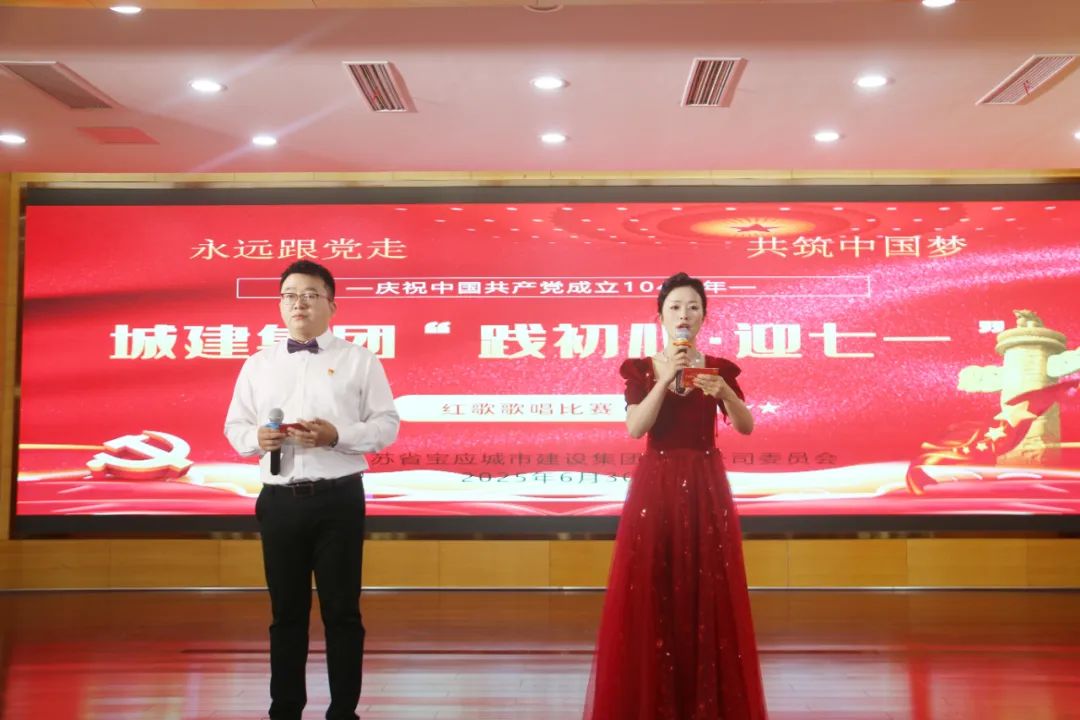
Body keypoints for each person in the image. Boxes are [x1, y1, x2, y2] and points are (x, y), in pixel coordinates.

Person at [584, 272, 768, 719]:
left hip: (705, 486)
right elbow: (636, 428)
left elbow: (745, 426)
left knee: (708, 591)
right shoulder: (641, 368)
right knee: (653, 588)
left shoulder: (718, 369)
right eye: (675, 307)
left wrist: (725, 393)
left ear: (704, 316)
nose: (684, 315)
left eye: (692, 307)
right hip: (658, 487)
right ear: (661, 316)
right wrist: (664, 379)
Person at [224, 260, 399, 720]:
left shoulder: (359, 360)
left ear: (331, 305)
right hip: (279, 501)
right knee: (286, 614)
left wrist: (336, 436)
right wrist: (255, 439)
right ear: (280, 305)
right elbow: (235, 426)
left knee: (342, 611)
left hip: (338, 498)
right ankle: (285, 709)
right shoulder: (259, 364)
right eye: (289, 295)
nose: (298, 303)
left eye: (309, 295)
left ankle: (343, 711)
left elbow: (386, 425)